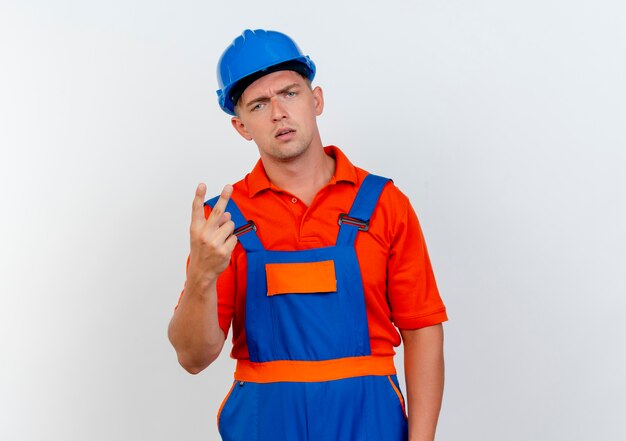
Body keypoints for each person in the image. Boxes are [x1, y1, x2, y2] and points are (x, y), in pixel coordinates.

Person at [168, 29, 448, 441]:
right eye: (259, 104)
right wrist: (201, 277)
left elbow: (422, 329)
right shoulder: (223, 221)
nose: (278, 112)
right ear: (241, 126)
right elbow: (193, 357)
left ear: (316, 99)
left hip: (369, 421)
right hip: (266, 424)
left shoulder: (384, 205)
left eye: (289, 93)